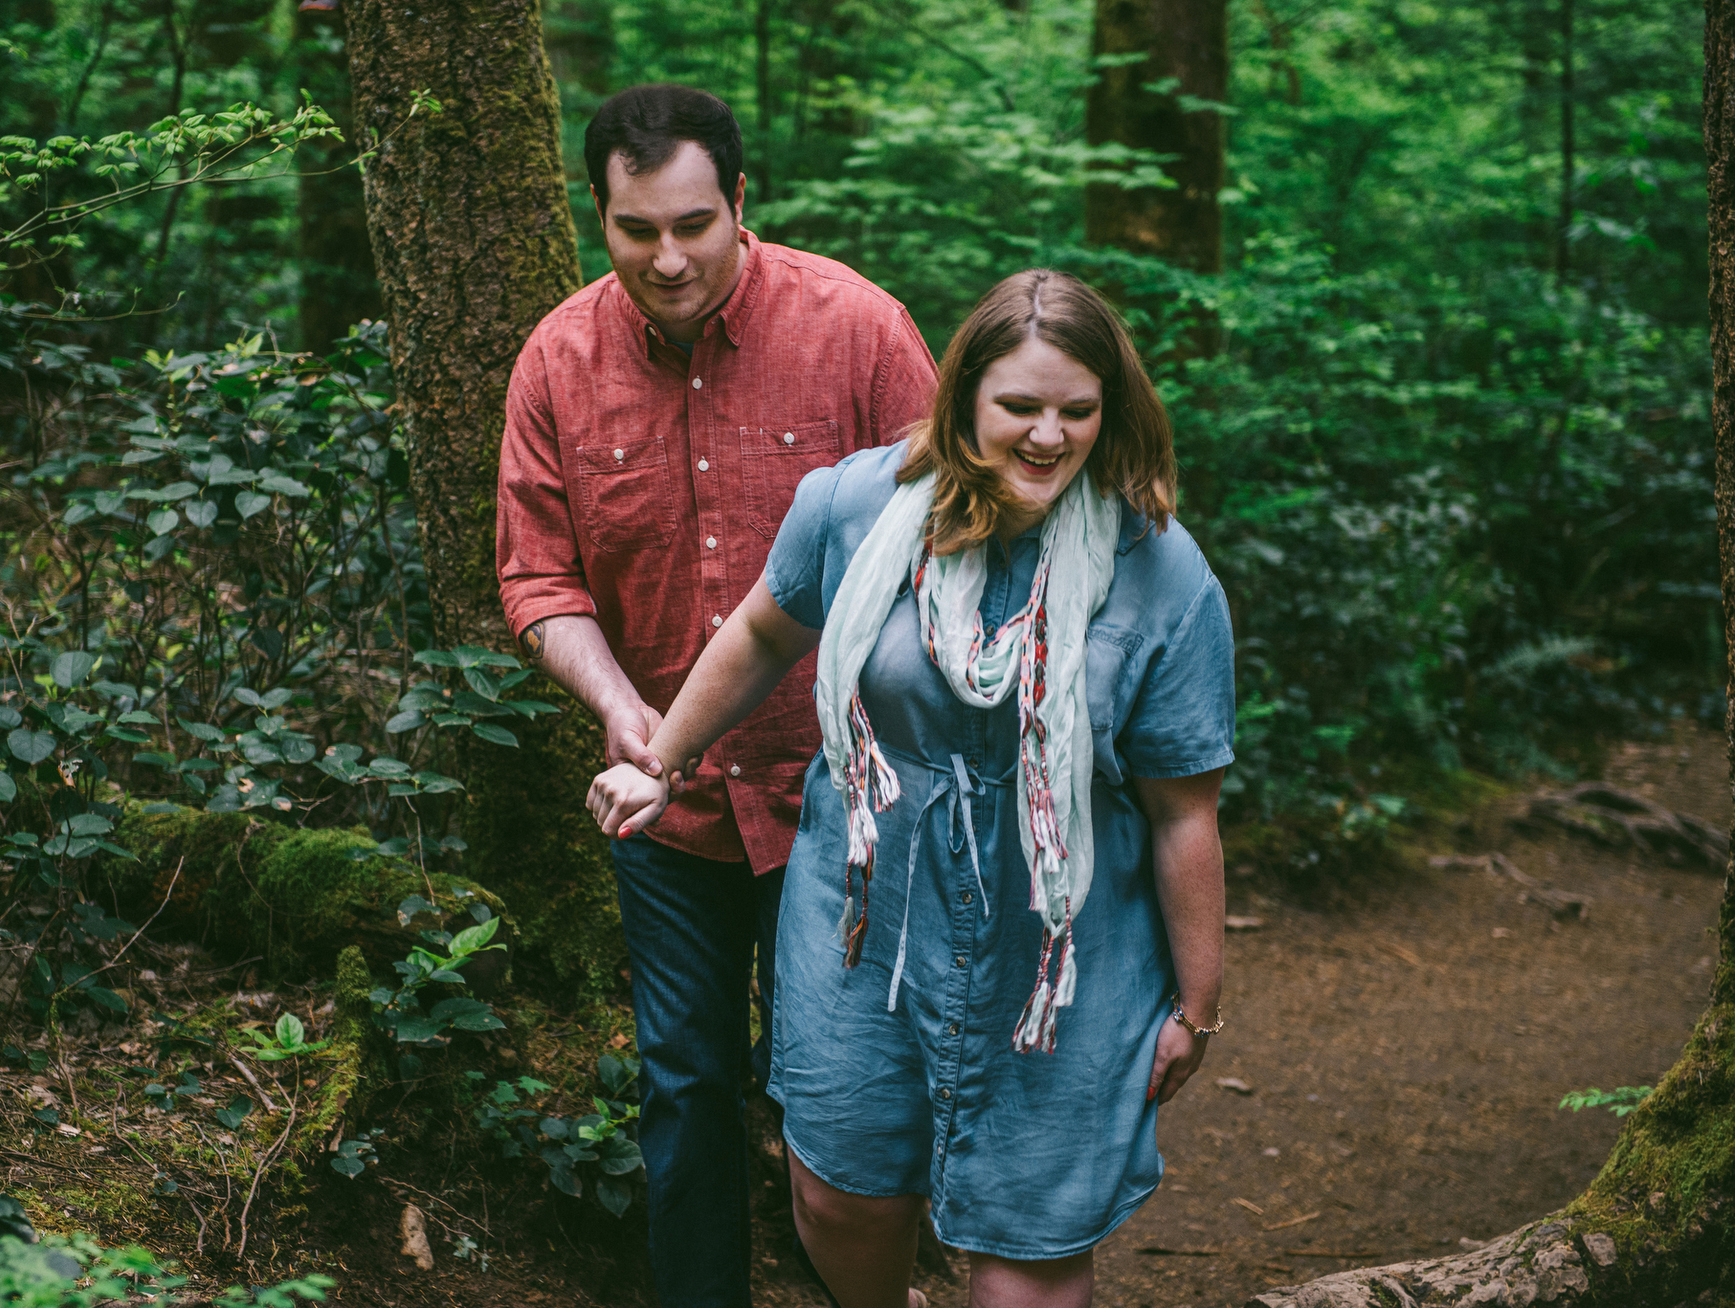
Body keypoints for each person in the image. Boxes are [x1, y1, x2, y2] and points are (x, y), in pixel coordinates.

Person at [587, 269, 1234, 1307]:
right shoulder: (853, 506)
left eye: (1077, 411)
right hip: (864, 905)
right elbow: (762, 628)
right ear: (963, 396)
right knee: (839, 1193)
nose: (1046, 436)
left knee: (1026, 1248)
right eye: (1018, 407)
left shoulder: (1158, 569)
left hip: (1059, 944)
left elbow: (1181, 810)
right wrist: (662, 757)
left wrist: (1196, 1006)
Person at [495, 84, 939, 1307]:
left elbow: (959, 544)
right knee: (685, 1081)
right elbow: (537, 574)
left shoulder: (857, 330)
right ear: (600, 219)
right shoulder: (557, 360)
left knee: (841, 1081)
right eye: (636, 230)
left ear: (743, 203)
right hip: (668, 801)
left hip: (849, 794)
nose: (668, 256)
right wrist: (612, 703)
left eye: (694, 222)